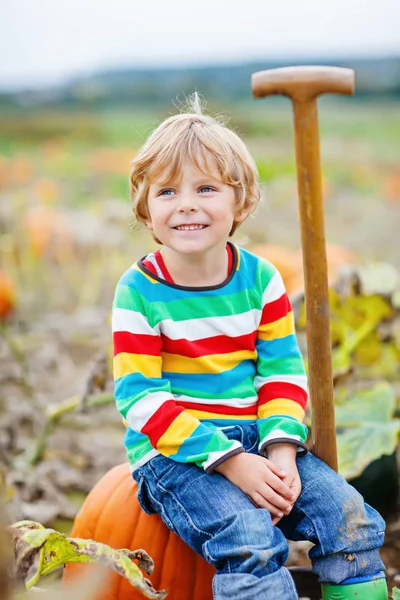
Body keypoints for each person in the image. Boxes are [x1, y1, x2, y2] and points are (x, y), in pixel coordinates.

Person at [111, 95, 387, 600]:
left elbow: (281, 373)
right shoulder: (138, 290)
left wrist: (281, 448)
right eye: (167, 191)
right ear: (145, 209)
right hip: (174, 454)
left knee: (350, 519)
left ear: (241, 201)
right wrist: (231, 459)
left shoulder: (261, 280)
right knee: (250, 539)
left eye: (206, 188)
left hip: (261, 437)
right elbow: (139, 397)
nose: (186, 203)